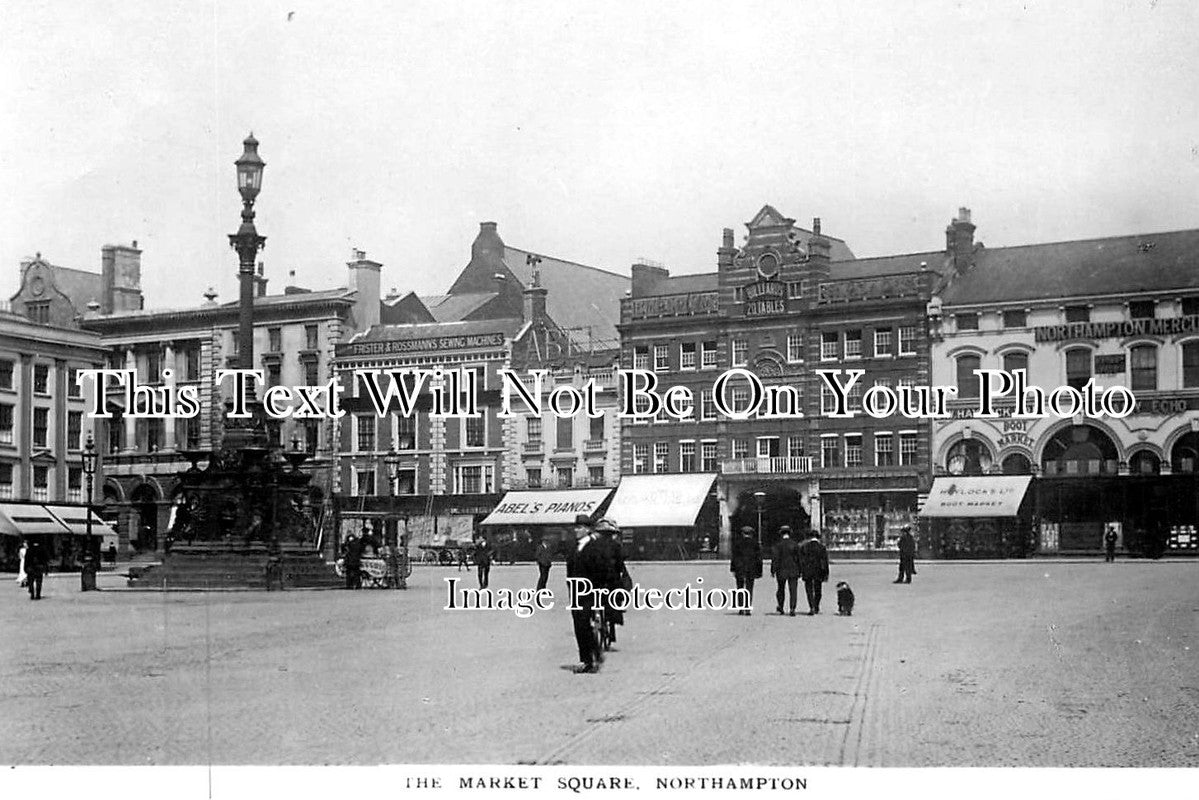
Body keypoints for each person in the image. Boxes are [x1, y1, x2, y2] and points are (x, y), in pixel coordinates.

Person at [566, 514, 612, 673]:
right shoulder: (574, 547)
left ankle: (591, 659)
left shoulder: (595, 547)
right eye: (576, 527)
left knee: (585, 624)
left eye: (579, 527)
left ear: (587, 529)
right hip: (576, 594)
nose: (576, 530)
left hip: (590, 593)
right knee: (579, 626)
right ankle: (587, 658)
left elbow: (601, 569)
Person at [593, 518, 629, 645]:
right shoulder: (616, 545)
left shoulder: (593, 545)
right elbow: (620, 563)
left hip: (596, 580)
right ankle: (612, 625)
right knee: (615, 600)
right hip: (611, 580)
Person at [730, 526, 763, 615]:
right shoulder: (755, 544)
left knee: (740, 588)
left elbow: (734, 557)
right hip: (751, 569)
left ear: (743, 533)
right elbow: (759, 558)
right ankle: (747, 608)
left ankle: (741, 608)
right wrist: (759, 571)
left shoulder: (737, 543)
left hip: (740, 569)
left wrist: (733, 568)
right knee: (749, 588)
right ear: (751, 534)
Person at [770, 525, 801, 616]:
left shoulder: (778, 545)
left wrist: (773, 570)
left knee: (780, 589)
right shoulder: (795, 545)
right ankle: (792, 608)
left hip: (781, 570)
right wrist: (800, 570)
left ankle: (781, 606)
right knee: (793, 590)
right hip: (793, 570)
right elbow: (798, 559)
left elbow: (775, 558)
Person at [797, 529, 830, 615]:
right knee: (818, 589)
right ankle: (816, 606)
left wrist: (801, 570)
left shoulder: (804, 547)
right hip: (819, 570)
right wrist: (826, 573)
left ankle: (811, 606)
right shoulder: (822, 547)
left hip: (808, 570)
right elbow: (825, 561)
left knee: (809, 589)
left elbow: (801, 560)